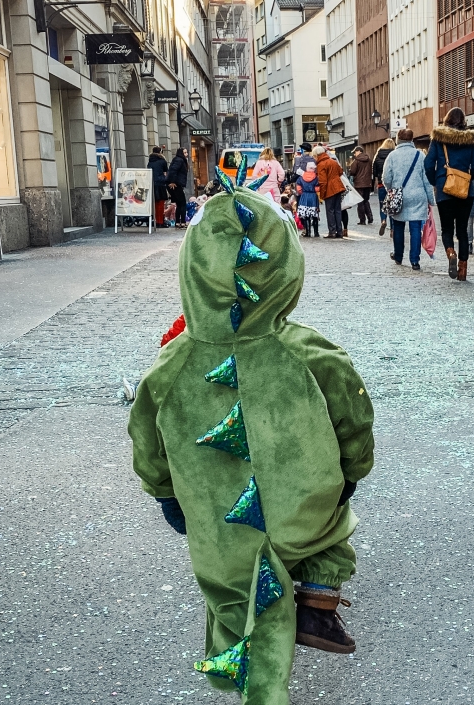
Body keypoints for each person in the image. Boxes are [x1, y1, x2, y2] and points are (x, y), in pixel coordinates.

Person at [128, 180, 374, 700]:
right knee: (333, 533)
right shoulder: (311, 353)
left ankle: (234, 662)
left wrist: (167, 495)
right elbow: (354, 418)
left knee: (231, 594)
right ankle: (320, 600)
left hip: (217, 525)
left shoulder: (168, 367)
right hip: (302, 514)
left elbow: (146, 443)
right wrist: (350, 474)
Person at [424, 107, 474, 281]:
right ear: (463, 121)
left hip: (445, 190)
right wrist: (467, 177)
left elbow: (428, 164)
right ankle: (463, 270)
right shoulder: (470, 141)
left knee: (447, 229)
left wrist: (436, 181)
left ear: (447, 120)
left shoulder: (438, 139)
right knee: (463, 231)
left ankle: (451, 253)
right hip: (466, 192)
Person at [382, 128, 435, 271]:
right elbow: (427, 180)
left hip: (399, 196)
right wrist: (431, 199)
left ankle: (398, 256)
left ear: (398, 139)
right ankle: (415, 261)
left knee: (398, 226)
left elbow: (386, 178)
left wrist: (390, 190)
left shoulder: (392, 156)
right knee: (416, 228)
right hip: (418, 195)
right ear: (412, 140)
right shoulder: (420, 155)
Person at [314, 145, 347, 238]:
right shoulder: (333, 161)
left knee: (330, 211)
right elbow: (341, 171)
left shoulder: (321, 164)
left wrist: (322, 195)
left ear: (316, 155)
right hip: (338, 187)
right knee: (337, 210)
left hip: (329, 189)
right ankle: (339, 231)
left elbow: (323, 181)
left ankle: (332, 231)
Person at [373, 138, 396, 236]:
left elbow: (374, 172)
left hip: (381, 184)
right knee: (392, 207)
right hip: (392, 185)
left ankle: (383, 220)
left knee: (382, 205)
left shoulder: (378, 155)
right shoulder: (395, 155)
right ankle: (392, 229)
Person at [349, 146, 374, 225]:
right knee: (366, 201)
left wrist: (350, 171)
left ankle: (362, 220)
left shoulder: (356, 161)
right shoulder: (369, 160)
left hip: (359, 184)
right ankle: (370, 217)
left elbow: (352, 171)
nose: (354, 154)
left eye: (355, 152)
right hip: (368, 183)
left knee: (360, 202)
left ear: (359, 151)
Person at [296, 162, 321, 237]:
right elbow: (317, 189)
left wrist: (302, 192)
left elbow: (299, 189)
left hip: (304, 196)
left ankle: (308, 232)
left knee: (306, 216)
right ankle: (316, 233)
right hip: (313, 197)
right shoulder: (316, 178)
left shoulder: (301, 177)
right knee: (315, 215)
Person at [167, 148, 190, 228]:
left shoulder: (179, 160)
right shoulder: (179, 160)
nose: (186, 154)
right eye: (185, 152)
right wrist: (173, 182)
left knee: (179, 204)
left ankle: (178, 222)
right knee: (182, 203)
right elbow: (173, 170)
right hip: (176, 184)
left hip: (176, 184)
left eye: (186, 152)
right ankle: (182, 222)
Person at [148, 146, 170, 228]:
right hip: (160, 183)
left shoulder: (150, 162)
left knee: (155, 203)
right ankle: (160, 221)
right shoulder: (162, 161)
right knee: (161, 203)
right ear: (160, 152)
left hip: (152, 183)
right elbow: (166, 172)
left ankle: (156, 221)